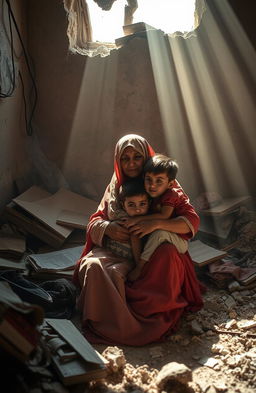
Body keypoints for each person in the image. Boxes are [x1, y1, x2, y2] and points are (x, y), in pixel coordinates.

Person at [73, 134, 204, 346]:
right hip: (119, 250)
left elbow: (191, 221)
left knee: (169, 254)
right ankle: (106, 321)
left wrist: (155, 224)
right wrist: (109, 228)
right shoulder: (115, 188)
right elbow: (94, 222)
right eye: (125, 159)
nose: (132, 164)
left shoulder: (163, 182)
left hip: (154, 254)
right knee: (93, 265)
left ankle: (152, 314)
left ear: (146, 158)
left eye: (137, 157)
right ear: (118, 161)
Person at [124, 154, 194, 281]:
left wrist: (138, 219)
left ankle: (140, 267)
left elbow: (164, 215)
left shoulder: (171, 194)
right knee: (136, 231)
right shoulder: (152, 195)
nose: (152, 185)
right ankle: (137, 261)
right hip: (165, 234)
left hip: (180, 241)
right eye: (148, 179)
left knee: (159, 233)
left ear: (170, 183)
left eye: (159, 181)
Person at [105, 178, 150, 266]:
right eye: (131, 205)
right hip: (113, 256)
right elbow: (135, 238)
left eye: (142, 204)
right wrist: (138, 265)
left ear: (149, 203)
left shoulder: (146, 221)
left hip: (123, 260)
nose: (137, 210)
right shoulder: (126, 220)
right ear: (123, 206)